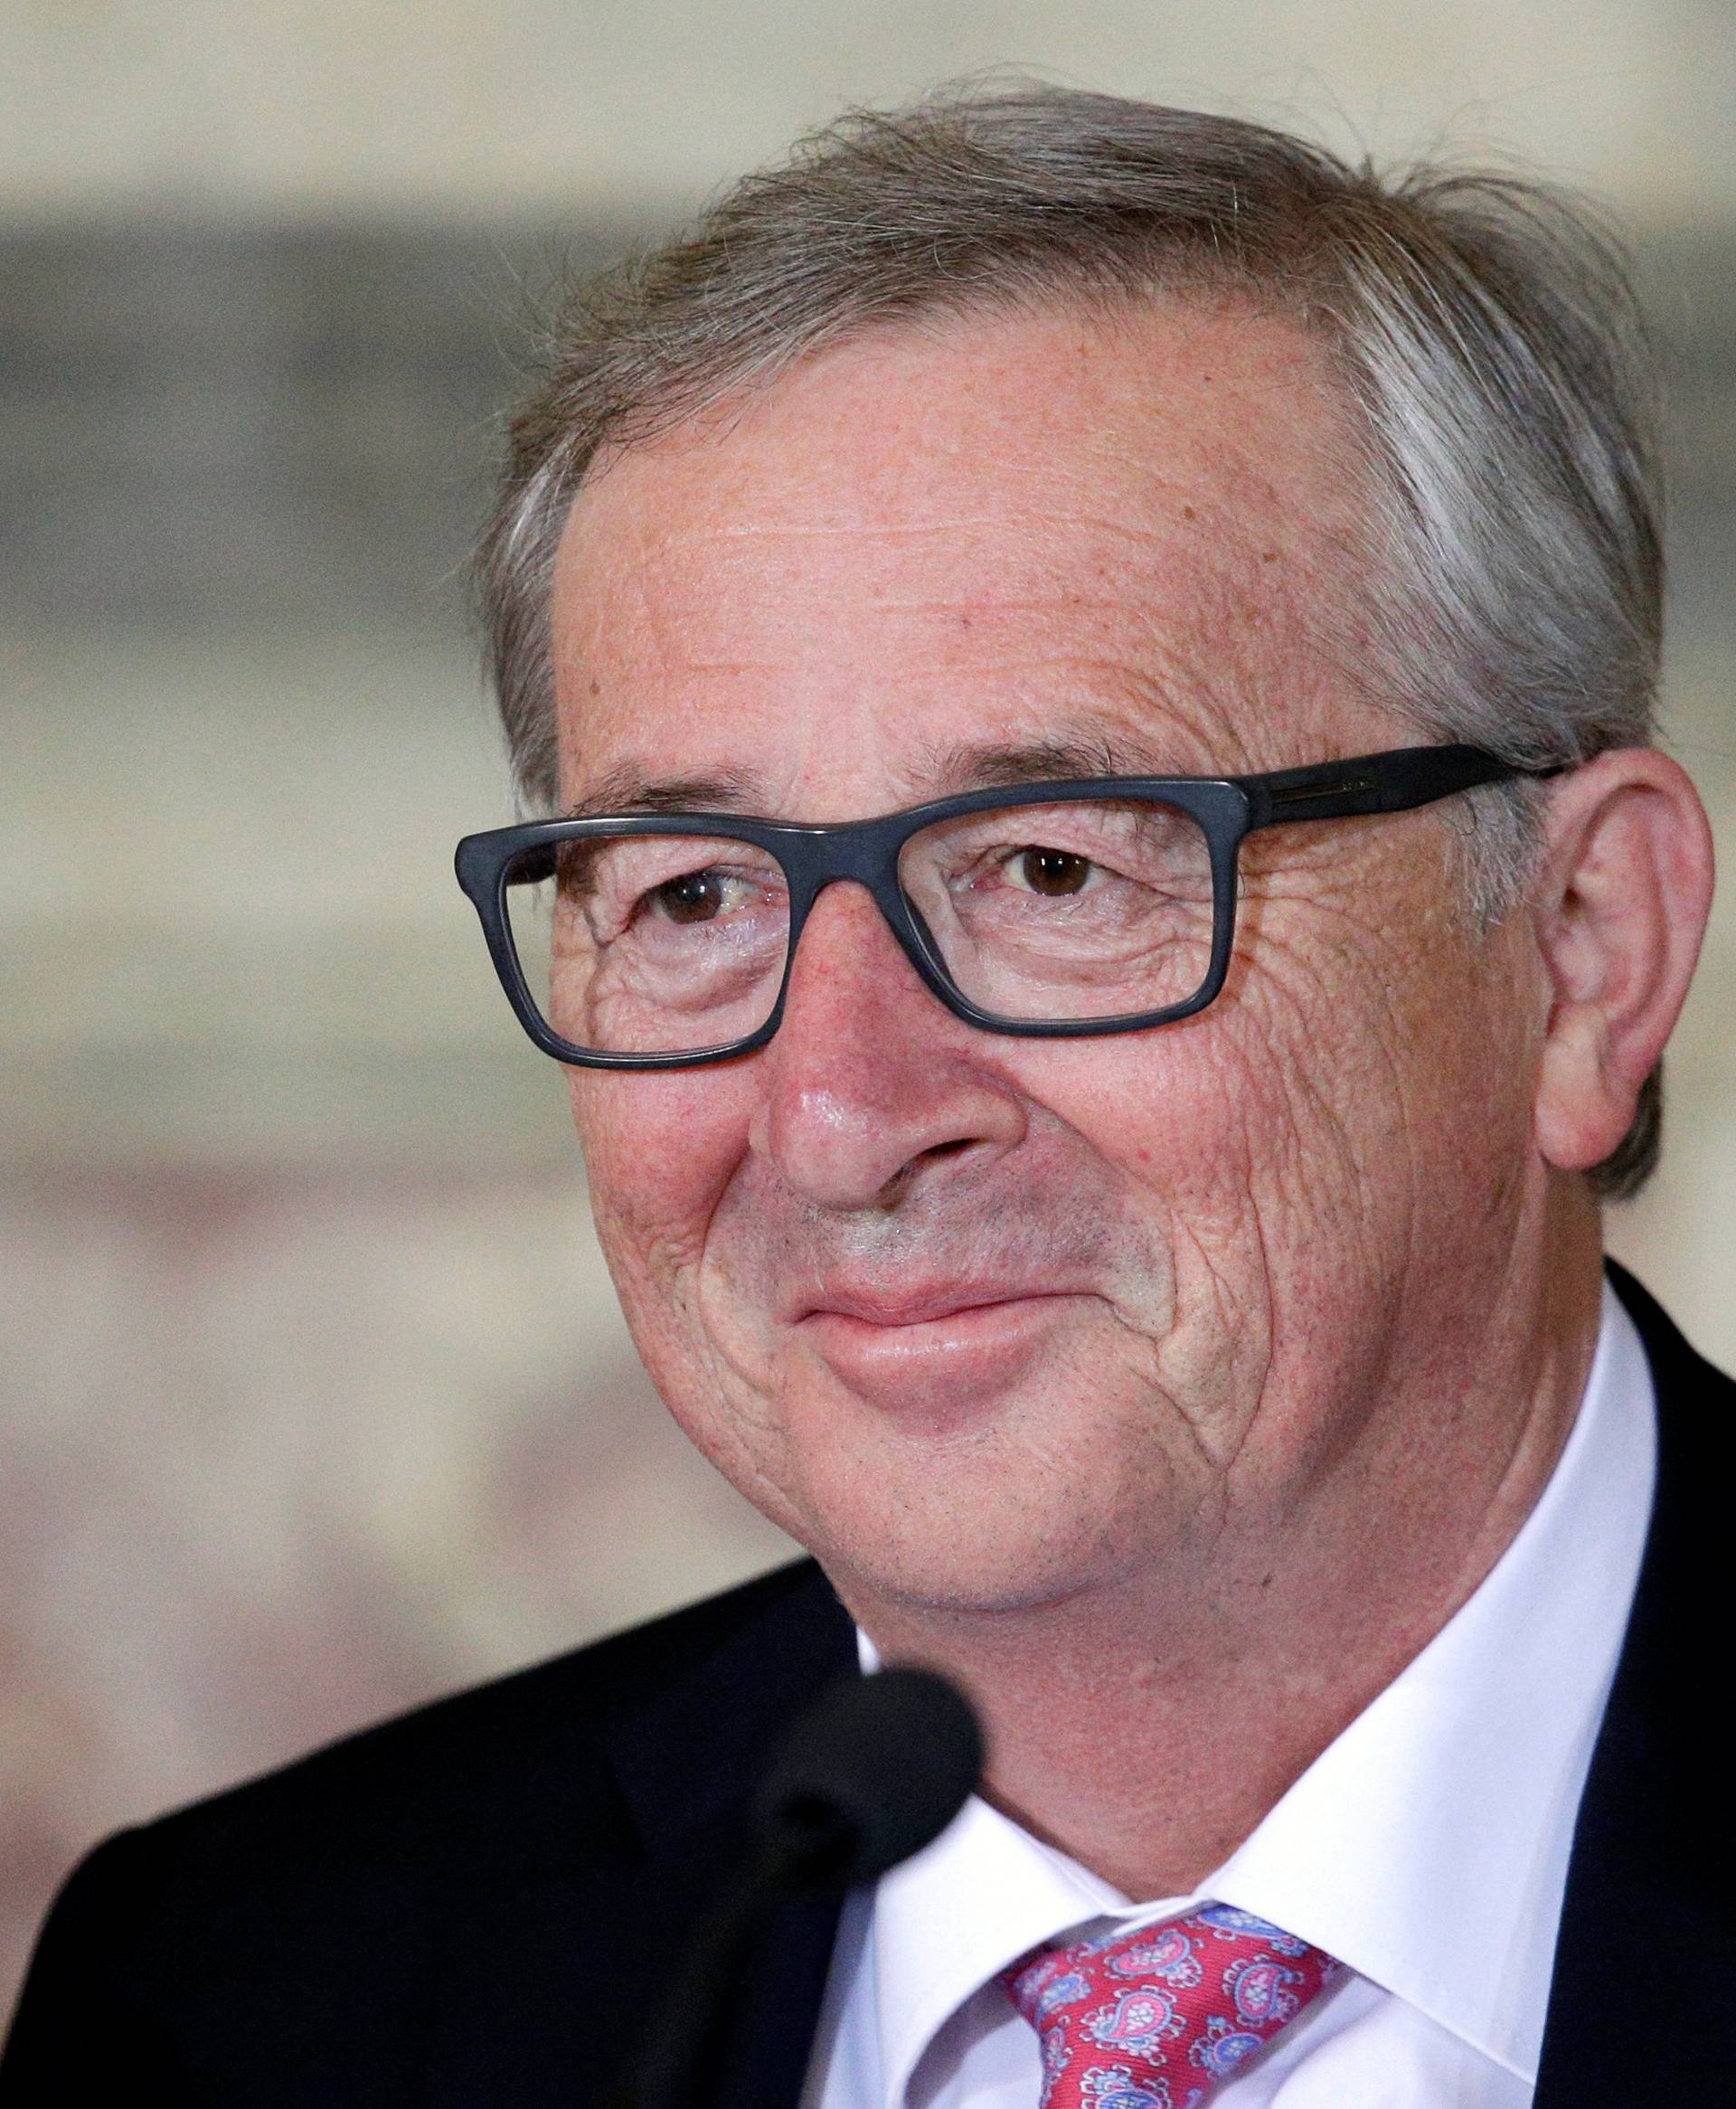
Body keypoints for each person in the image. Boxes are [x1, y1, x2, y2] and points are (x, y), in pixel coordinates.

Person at [2, 85, 1728, 2109]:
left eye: (1054, 869)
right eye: (698, 894)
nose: (836, 1114)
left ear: (1585, 944)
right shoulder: (250, 2001)